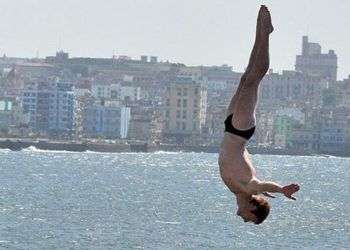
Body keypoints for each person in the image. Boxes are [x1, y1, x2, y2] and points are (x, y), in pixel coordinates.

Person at [218, 5, 300, 224]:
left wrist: (268, 191)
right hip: (240, 130)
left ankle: (259, 31)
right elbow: (262, 185)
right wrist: (282, 190)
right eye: (247, 219)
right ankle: (265, 34)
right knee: (254, 79)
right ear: (253, 209)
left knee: (246, 78)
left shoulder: (237, 190)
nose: (241, 217)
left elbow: (260, 184)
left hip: (232, 128)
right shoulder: (247, 188)